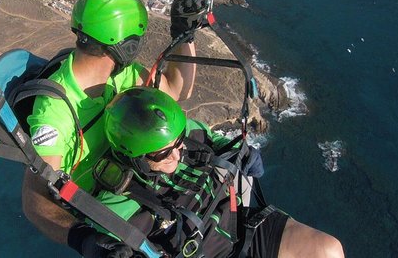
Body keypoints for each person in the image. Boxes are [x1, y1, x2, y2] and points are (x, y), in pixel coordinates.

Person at [67, 87, 345, 258]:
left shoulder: (184, 135)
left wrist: (244, 153)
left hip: (242, 227)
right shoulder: (122, 204)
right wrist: (96, 246)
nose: (177, 154)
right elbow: (91, 236)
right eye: (163, 153)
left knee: (328, 250)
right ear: (133, 157)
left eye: (177, 143)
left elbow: (216, 140)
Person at [22, 0, 202, 244]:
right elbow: (34, 198)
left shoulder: (121, 75)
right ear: (125, 45)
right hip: (106, 204)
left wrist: (184, 35)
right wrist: (88, 241)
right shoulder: (54, 111)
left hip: (135, 174)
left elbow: (175, 89)